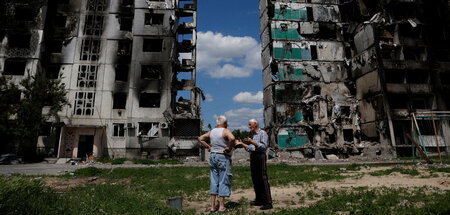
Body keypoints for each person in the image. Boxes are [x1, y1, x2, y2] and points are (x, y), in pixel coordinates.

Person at [198, 116, 236, 212]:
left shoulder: (212, 131)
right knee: (223, 180)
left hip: (213, 156)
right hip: (222, 156)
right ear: (225, 123)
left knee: (214, 180)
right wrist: (229, 148)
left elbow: (200, 138)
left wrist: (208, 146)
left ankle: (212, 206)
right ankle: (221, 206)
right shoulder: (225, 131)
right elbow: (232, 138)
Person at [236, 119, 273, 210]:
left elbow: (263, 147)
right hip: (253, 156)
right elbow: (250, 148)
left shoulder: (262, 133)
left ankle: (268, 202)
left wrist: (252, 142)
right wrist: (242, 144)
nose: (249, 126)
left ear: (255, 124)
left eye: (250, 124)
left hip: (260, 156)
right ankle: (259, 199)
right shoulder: (251, 134)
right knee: (255, 178)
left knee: (262, 179)